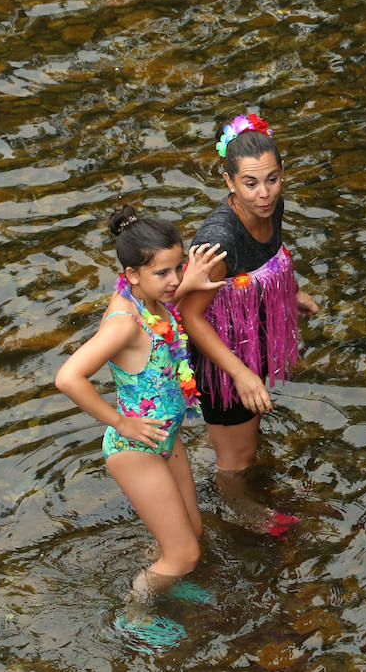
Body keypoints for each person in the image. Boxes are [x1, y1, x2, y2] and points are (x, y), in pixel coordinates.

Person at [54, 205, 227, 599]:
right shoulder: (123, 324)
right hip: (136, 446)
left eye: (178, 267)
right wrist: (121, 422)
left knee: (192, 533)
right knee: (184, 556)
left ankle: (161, 575)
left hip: (167, 438)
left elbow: (164, 299)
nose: (174, 280)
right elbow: (67, 377)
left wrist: (190, 281)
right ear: (131, 275)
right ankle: (134, 615)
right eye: (162, 273)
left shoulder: (148, 302)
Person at [177, 113, 317, 531]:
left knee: (241, 432)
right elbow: (190, 316)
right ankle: (237, 507)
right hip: (220, 358)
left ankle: (213, 445)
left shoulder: (273, 205)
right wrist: (239, 374)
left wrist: (289, 295)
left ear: (282, 172)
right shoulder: (218, 242)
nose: (264, 194)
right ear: (229, 182)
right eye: (251, 183)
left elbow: (272, 253)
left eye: (272, 179)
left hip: (253, 336)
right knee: (237, 460)